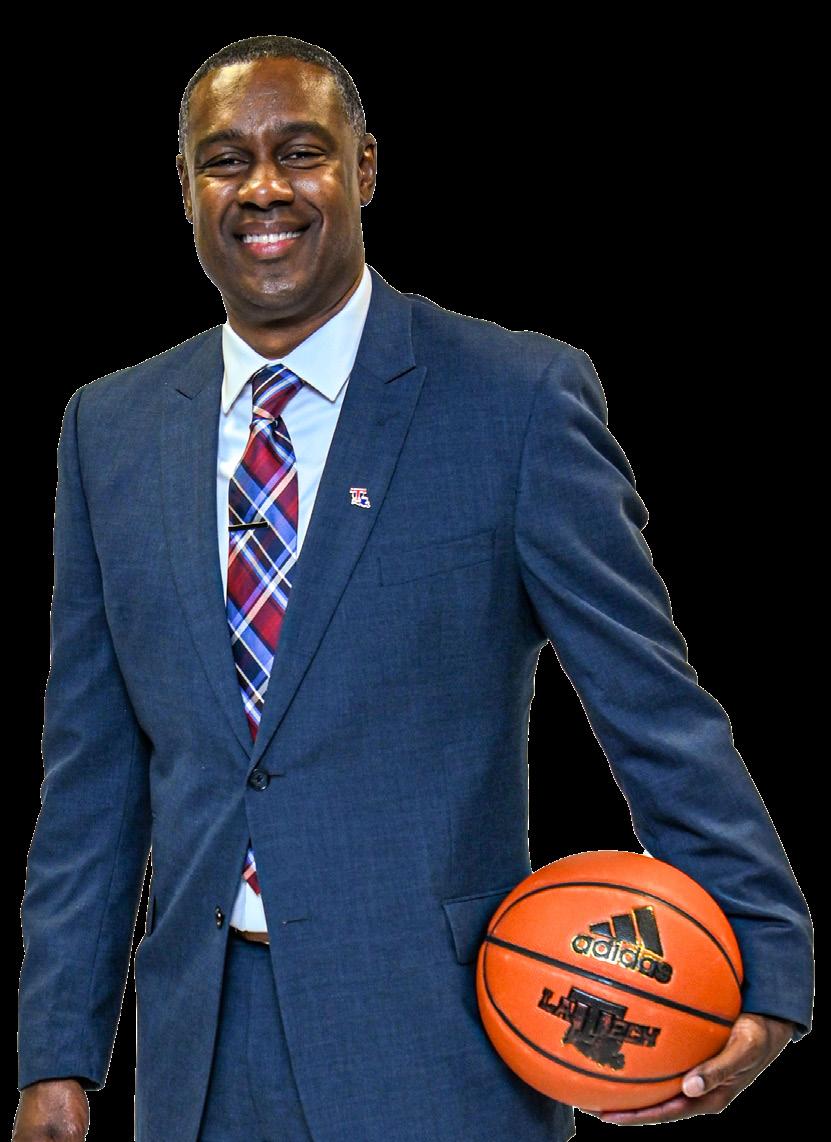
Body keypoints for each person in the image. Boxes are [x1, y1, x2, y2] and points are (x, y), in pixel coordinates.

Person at [15, 33, 813, 1142]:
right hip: (202, 1059)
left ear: (365, 168)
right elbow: (92, 772)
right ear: (187, 189)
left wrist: (764, 957)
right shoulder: (110, 427)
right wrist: (58, 1052)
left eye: (302, 152)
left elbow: (651, 706)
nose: (263, 189)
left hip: (441, 1045)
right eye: (224, 160)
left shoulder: (513, 399)